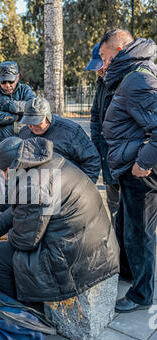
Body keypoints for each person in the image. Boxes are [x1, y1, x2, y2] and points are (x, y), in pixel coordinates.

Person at [0, 137, 119, 303]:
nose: (3, 178)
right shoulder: (46, 161)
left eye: (2, 173)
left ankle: (17, 310)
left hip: (79, 260)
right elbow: (25, 208)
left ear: (10, 168)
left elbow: (25, 241)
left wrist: (11, 233)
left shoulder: (33, 186)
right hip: (98, 246)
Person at [99, 29, 157, 312]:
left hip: (141, 173)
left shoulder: (140, 78)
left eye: (104, 55)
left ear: (119, 47)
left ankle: (142, 293)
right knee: (125, 224)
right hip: (130, 167)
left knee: (139, 234)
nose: (103, 62)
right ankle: (127, 273)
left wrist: (143, 163)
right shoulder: (132, 74)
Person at [0, 60, 35, 211]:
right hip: (1, 149)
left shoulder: (25, 91)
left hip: (23, 148)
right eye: (3, 82)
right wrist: (17, 116)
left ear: (17, 77)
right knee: (3, 193)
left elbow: (32, 108)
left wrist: (11, 106)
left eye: (10, 81)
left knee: (25, 190)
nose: (7, 85)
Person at [19, 96, 101, 184]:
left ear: (48, 116)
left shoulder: (70, 132)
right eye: (29, 122)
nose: (32, 126)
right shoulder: (24, 133)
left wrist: (84, 186)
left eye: (36, 121)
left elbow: (92, 159)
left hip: (67, 185)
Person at [85, 43, 120, 225]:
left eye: (102, 66)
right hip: (107, 155)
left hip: (124, 158)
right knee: (113, 203)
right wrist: (97, 144)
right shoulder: (101, 84)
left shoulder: (125, 83)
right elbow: (95, 116)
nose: (99, 72)